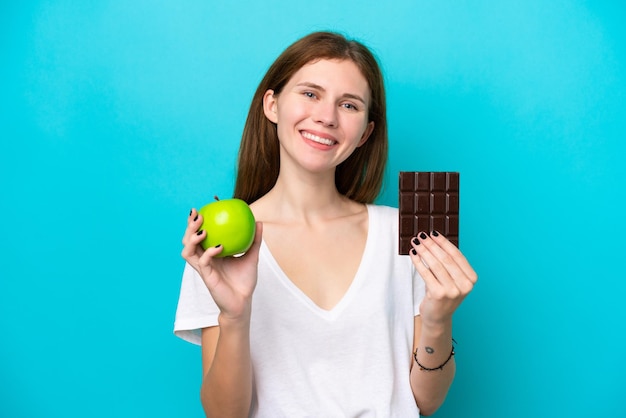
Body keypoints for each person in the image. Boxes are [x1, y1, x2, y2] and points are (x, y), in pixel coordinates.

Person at [175, 31, 477, 418]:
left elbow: (426, 401)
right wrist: (234, 316)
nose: (327, 117)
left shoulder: (407, 234)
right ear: (272, 104)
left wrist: (438, 319)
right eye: (310, 94)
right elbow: (224, 415)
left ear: (365, 132)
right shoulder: (217, 245)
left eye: (349, 105)